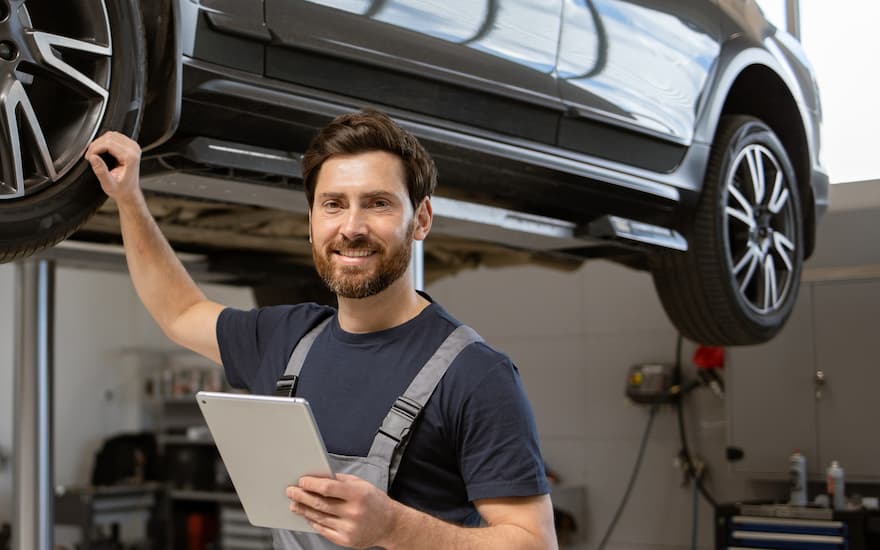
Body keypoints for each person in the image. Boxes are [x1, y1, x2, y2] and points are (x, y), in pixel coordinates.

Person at [85, 109, 557, 550]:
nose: (352, 227)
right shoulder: (285, 339)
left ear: (422, 219)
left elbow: (534, 542)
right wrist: (129, 199)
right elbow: (180, 312)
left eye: (377, 204)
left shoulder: (475, 374)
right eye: (333, 204)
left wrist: (395, 526)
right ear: (311, 223)